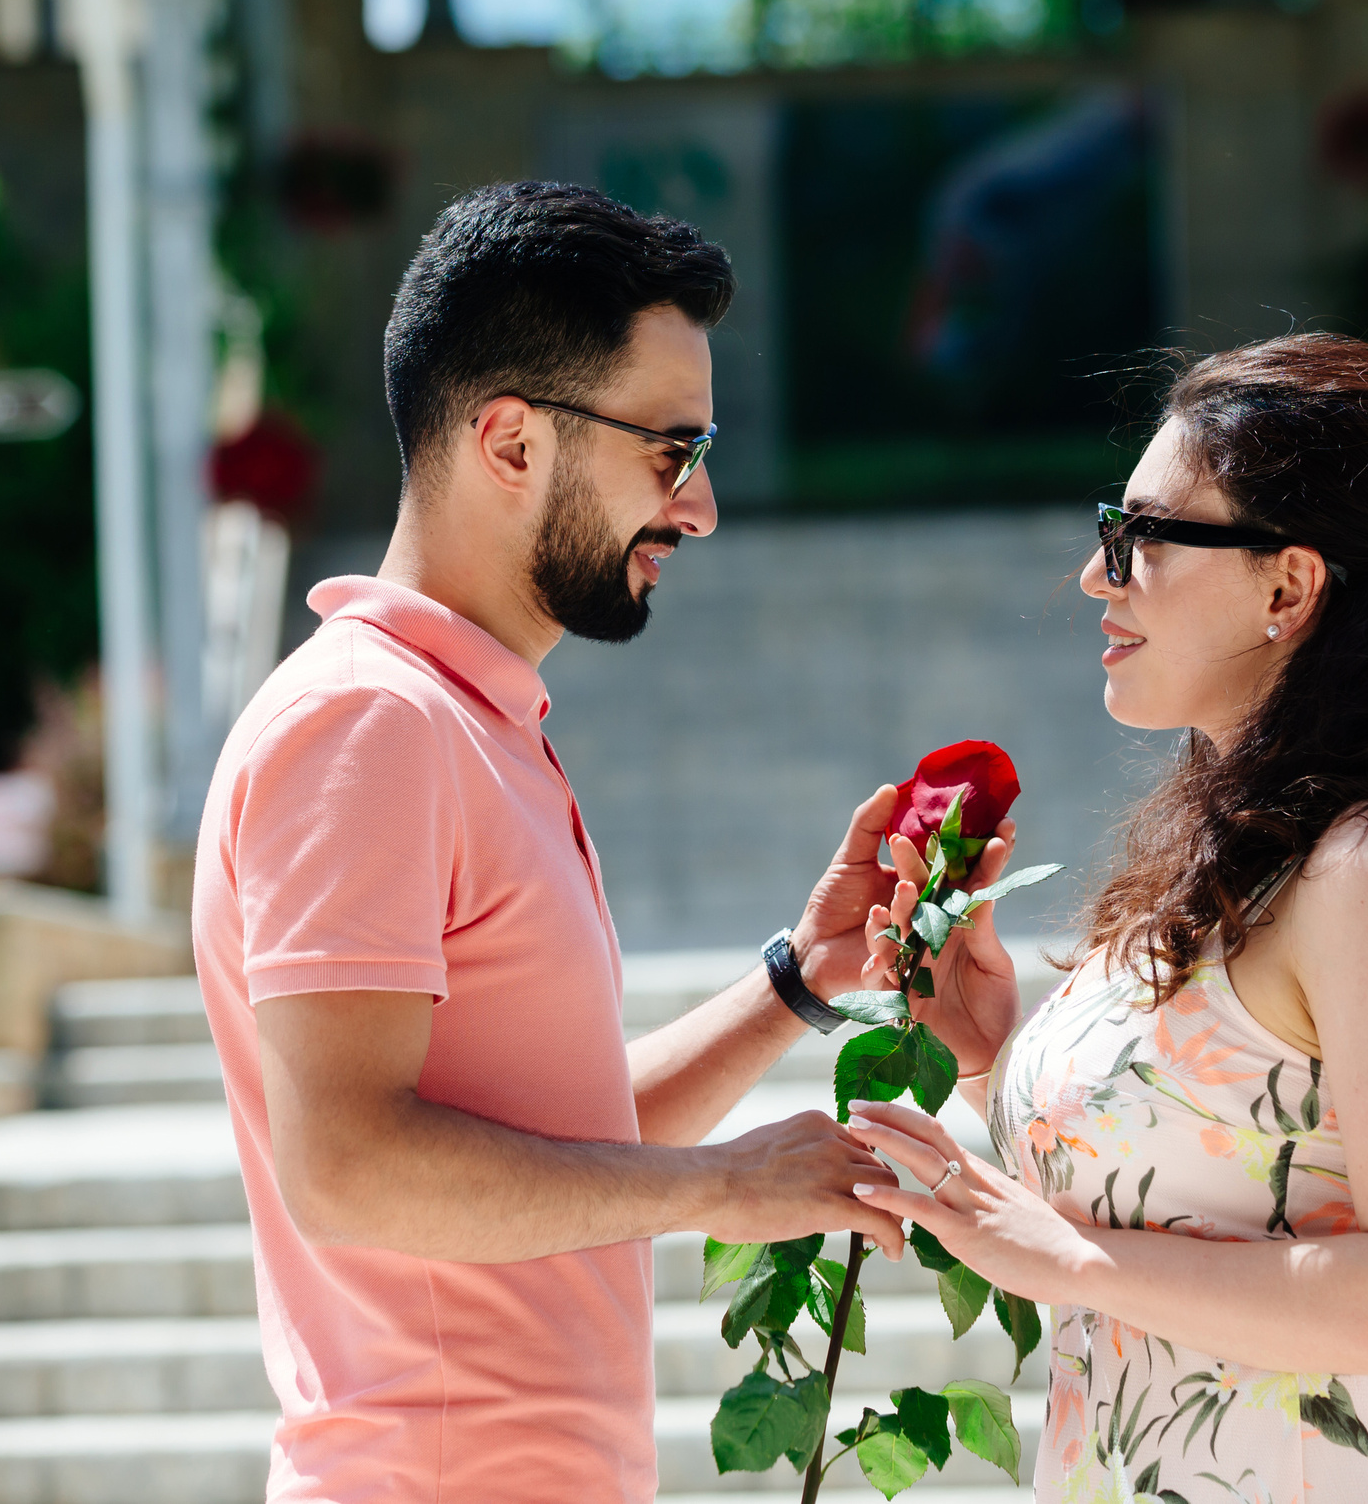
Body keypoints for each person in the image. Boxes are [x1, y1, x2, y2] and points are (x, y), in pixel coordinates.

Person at [191, 182, 951, 1503]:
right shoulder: (369, 721)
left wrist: (796, 981)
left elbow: (561, 1141)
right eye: (671, 451)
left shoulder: (461, 720)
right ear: (510, 441)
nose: (699, 508)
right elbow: (351, 1165)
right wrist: (717, 1187)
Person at [843, 334, 1368, 1501]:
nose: (1097, 576)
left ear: (1288, 586)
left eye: (1143, 538)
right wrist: (987, 1060)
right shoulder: (1230, 858)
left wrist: (1070, 1260)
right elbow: (1193, 1179)